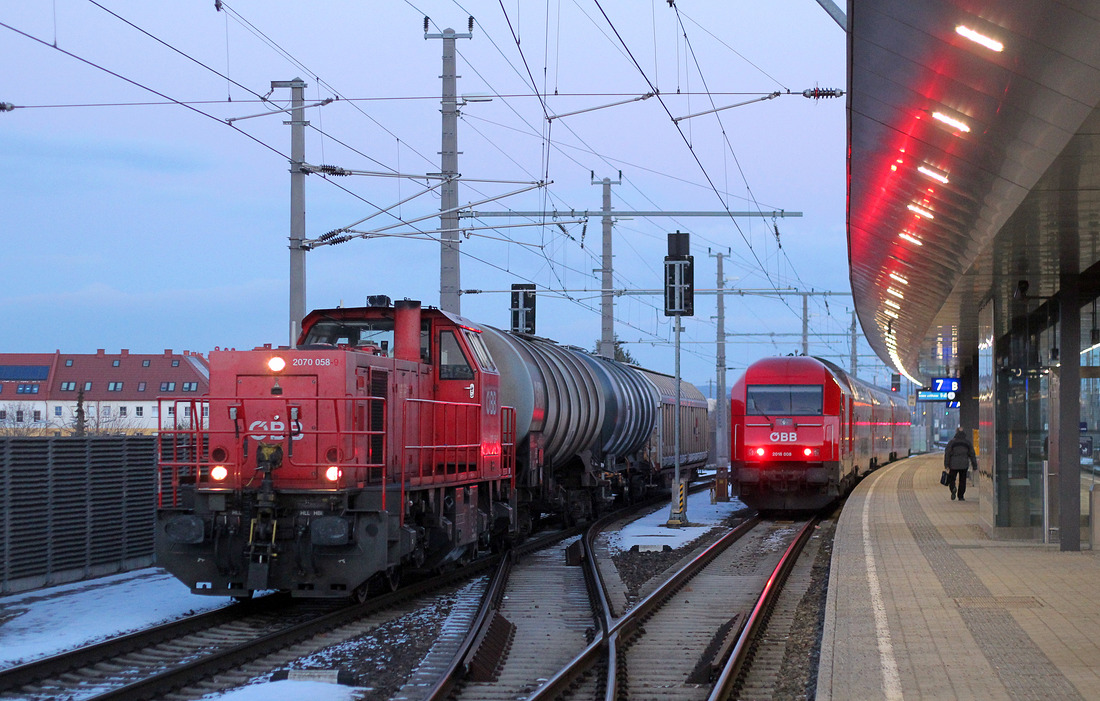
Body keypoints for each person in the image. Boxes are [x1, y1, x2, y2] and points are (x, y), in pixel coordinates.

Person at [944, 427, 978, 501]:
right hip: (964, 464)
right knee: (962, 480)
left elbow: (947, 454)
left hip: (953, 464)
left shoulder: (952, 442)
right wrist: (974, 465)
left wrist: (946, 464)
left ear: (956, 433)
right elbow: (972, 454)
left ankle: (953, 488)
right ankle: (961, 496)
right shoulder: (967, 443)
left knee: (952, 479)